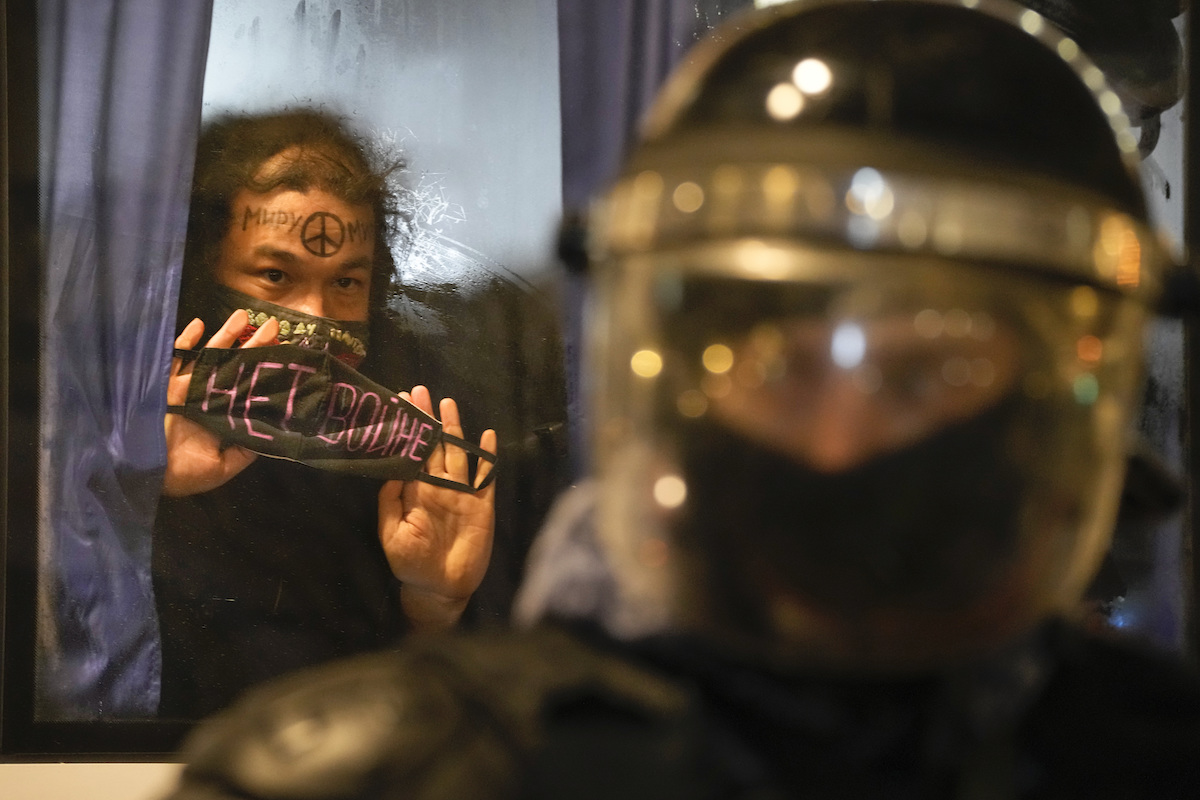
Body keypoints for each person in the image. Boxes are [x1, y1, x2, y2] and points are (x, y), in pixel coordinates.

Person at [160, 0, 1200, 795]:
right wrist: (144, 487)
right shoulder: (427, 764)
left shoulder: (1145, 753)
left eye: (930, 373)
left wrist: (436, 598)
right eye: (781, 366)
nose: (838, 446)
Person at [152, 110, 524, 719]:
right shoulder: (116, 434)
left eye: (347, 282)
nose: (315, 319)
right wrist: (142, 491)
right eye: (275, 275)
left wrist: (436, 604)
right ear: (201, 270)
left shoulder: (407, 453)